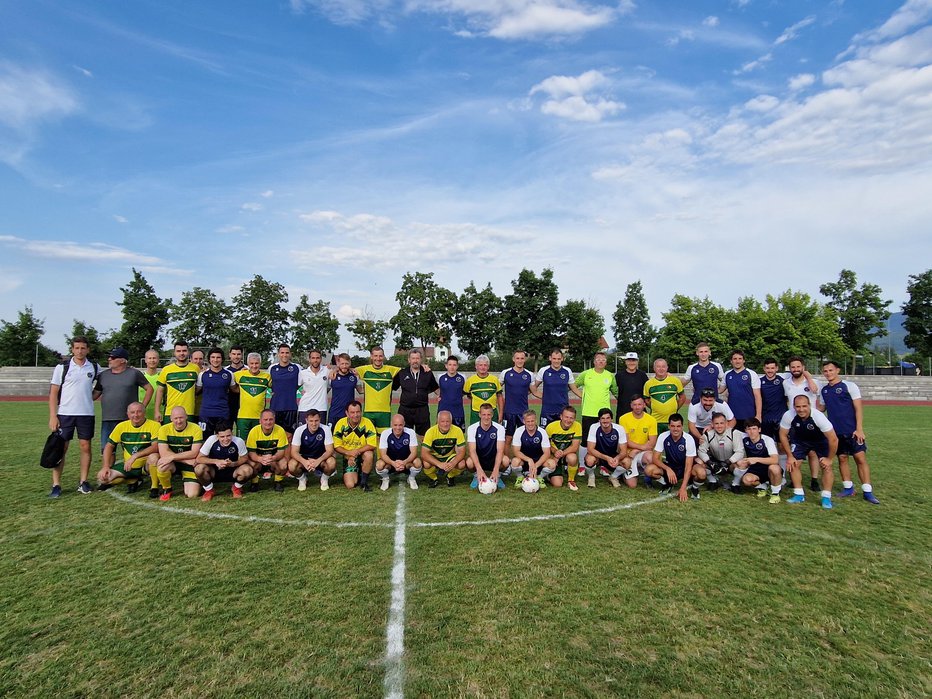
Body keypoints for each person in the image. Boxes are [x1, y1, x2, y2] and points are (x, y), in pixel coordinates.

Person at [819, 361, 880, 504]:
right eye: (825, 371)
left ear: (837, 370)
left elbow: (858, 409)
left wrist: (859, 429)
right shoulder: (824, 390)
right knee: (842, 459)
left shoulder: (849, 386)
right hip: (836, 433)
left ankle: (867, 491)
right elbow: (821, 409)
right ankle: (848, 488)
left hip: (852, 431)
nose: (828, 373)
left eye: (831, 370)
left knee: (860, 459)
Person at [48, 336, 100, 497]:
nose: (80, 351)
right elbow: (53, 393)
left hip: (86, 414)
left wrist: (88, 398)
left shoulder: (94, 367)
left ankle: (83, 482)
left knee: (85, 447)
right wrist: (53, 416)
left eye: (83, 348)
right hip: (65, 414)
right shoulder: (62, 367)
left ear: (88, 349)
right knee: (61, 448)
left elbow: (99, 389)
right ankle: (56, 484)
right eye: (76, 348)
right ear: (72, 349)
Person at [779, 395, 838, 509]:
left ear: (809, 405)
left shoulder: (818, 417)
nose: (801, 409)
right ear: (793, 406)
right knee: (793, 464)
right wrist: (790, 456)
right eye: (798, 407)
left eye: (804, 406)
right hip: (801, 440)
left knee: (826, 467)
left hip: (820, 441)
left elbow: (833, 439)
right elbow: (782, 435)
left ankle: (826, 497)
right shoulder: (788, 415)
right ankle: (798, 494)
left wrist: (829, 459)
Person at [94, 346, 152, 451]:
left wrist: (142, 407)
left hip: (129, 419)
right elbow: (95, 395)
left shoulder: (134, 373)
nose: (109, 359)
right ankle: (107, 467)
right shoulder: (103, 375)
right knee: (107, 450)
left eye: (113, 357)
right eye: (109, 357)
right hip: (108, 419)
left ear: (122, 360)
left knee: (132, 450)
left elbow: (149, 389)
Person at [96, 402, 160, 493]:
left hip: (146, 465)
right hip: (129, 466)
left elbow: (156, 447)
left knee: (154, 457)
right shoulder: (121, 426)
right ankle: (132, 480)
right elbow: (109, 446)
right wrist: (105, 466)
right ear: (128, 414)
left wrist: (135, 456)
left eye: (139, 412)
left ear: (144, 413)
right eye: (132, 412)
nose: (136, 415)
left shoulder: (154, 425)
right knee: (102, 478)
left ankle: (154, 487)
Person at [148, 406, 203, 501]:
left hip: (187, 464)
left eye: (181, 417)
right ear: (171, 418)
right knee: (162, 465)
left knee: (192, 494)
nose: (179, 421)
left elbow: (194, 452)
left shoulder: (196, 428)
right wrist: (183, 459)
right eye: (176, 418)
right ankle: (167, 488)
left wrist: (172, 457)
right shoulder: (163, 429)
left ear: (186, 417)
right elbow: (163, 452)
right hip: (179, 462)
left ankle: (193, 482)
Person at [783, 357, 822, 491]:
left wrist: (808, 377)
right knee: (794, 453)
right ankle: (794, 480)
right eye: (793, 367)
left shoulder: (812, 381)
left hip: (811, 422)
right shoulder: (786, 383)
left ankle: (814, 479)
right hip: (795, 423)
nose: (795, 369)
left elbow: (815, 390)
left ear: (803, 367)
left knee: (812, 453)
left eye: (798, 367)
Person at [647, 413, 702, 501]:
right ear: (669, 426)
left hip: (684, 467)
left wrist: (683, 488)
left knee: (701, 473)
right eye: (673, 426)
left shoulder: (688, 439)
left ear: (682, 427)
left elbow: (688, 466)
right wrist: (667, 469)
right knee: (649, 470)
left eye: (678, 426)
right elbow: (655, 458)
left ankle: (694, 487)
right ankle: (668, 483)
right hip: (670, 466)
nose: (675, 429)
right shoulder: (663, 436)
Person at [194, 420, 249, 501]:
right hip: (213, 471)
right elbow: (199, 458)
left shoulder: (238, 441)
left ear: (232, 433)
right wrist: (216, 461)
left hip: (232, 472)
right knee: (199, 469)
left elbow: (244, 457)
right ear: (217, 436)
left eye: (228, 436)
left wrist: (233, 464)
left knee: (248, 470)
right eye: (222, 437)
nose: (226, 439)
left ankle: (236, 488)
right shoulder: (211, 440)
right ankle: (209, 490)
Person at [574, 351, 619, 446]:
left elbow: (615, 392)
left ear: (606, 362)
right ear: (594, 362)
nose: (601, 362)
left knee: (603, 440)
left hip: (604, 414)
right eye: (598, 359)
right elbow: (573, 385)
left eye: (603, 360)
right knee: (586, 440)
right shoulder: (585, 374)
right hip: (588, 412)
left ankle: (602, 460)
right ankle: (583, 461)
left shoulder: (610, 376)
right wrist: (582, 396)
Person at [733, 418, 782, 503]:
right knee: (746, 480)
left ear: (759, 429)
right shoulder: (743, 437)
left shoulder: (767, 440)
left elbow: (775, 459)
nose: (751, 432)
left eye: (754, 428)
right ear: (745, 430)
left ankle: (775, 493)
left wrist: (756, 459)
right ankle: (762, 487)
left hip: (769, 468)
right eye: (749, 429)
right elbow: (728, 429)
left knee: (774, 468)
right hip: (755, 469)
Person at [332, 401, 378, 491]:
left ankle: (364, 482)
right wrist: (349, 454)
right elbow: (337, 446)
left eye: (358, 412)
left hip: (362, 453)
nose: (355, 415)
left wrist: (356, 452)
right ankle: (358, 471)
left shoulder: (367, 423)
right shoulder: (340, 424)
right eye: (352, 412)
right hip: (348, 456)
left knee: (369, 454)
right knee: (350, 484)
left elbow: (372, 445)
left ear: (361, 412)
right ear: (347, 413)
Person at [392, 349, 438, 438]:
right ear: (409, 360)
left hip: (422, 410)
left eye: (417, 358)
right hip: (405, 410)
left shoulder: (427, 373)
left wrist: (442, 396)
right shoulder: (402, 373)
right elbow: (392, 387)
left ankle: (424, 452)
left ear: (421, 359)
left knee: (424, 436)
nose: (415, 361)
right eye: (413, 358)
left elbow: (436, 388)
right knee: (403, 436)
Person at [288, 409, 337, 491]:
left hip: (321, 459)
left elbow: (330, 450)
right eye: (311, 421)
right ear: (306, 420)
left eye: (316, 421)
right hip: (305, 460)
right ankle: (302, 479)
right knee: (291, 465)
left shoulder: (325, 429)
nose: (314, 424)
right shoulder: (299, 430)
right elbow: (294, 452)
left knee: (332, 462)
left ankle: (324, 479)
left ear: (320, 420)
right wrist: (305, 462)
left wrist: (318, 461)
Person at [355, 346, 400, 432]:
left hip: (385, 412)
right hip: (368, 411)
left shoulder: (391, 370)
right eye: (375, 356)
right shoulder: (364, 370)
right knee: (368, 437)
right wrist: (334, 370)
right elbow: (346, 369)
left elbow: (408, 371)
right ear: (371, 356)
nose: (378, 358)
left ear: (383, 356)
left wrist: (423, 366)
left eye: (380, 356)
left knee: (382, 439)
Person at [500, 350, 541, 444]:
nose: (520, 360)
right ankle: (507, 458)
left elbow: (534, 391)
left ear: (525, 359)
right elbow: (497, 390)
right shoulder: (505, 373)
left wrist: (549, 397)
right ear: (513, 359)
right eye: (517, 358)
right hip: (509, 412)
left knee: (524, 437)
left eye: (522, 358)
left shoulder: (529, 374)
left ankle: (523, 458)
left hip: (524, 413)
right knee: (508, 438)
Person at [696, 412, 744, 492]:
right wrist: (709, 462)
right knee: (700, 461)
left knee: (742, 462)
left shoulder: (734, 433)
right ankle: (713, 481)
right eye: (716, 423)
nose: (719, 426)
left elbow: (740, 452)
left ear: (726, 423)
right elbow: (701, 451)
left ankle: (735, 483)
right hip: (715, 461)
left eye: (722, 423)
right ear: (712, 424)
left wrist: (728, 462)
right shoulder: (707, 435)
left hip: (731, 462)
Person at [245, 409, 290, 493]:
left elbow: (281, 452)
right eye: (265, 420)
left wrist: (273, 458)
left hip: (273, 459)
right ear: (260, 421)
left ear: (274, 420)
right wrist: (260, 459)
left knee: (283, 464)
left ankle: (278, 481)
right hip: (259, 459)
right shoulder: (254, 431)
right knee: (251, 464)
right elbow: (251, 453)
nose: (268, 422)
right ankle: (254, 482)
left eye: (271, 419)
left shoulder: (280, 430)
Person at [534, 348, 581, 426]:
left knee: (562, 435)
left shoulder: (567, 371)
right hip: (547, 411)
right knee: (546, 435)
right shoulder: (543, 370)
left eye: (559, 359)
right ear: (550, 358)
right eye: (554, 358)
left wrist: (585, 397)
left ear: (562, 359)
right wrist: (544, 397)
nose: (556, 361)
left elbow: (574, 388)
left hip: (563, 411)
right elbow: (534, 387)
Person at [154, 341, 198, 424]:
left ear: (188, 352)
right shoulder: (166, 370)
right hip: (170, 413)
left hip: (189, 413)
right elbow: (160, 391)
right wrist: (157, 411)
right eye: (178, 351)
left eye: (184, 351)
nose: (181, 353)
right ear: (174, 353)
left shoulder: (195, 369)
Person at [466, 403, 507, 491]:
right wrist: (479, 469)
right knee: (469, 462)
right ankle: (477, 476)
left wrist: (496, 469)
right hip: (479, 459)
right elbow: (472, 451)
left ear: (492, 415)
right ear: (479, 415)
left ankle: (497, 476)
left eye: (489, 414)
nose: (486, 417)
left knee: (506, 461)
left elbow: (500, 450)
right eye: (484, 414)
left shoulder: (499, 428)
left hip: (493, 459)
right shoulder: (472, 428)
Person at [618, 396, 657, 488]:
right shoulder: (623, 418)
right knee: (632, 485)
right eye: (634, 404)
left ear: (644, 405)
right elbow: (626, 441)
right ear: (631, 405)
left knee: (650, 457)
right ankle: (624, 473)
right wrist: (642, 447)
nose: (637, 407)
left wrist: (637, 450)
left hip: (642, 453)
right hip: (628, 454)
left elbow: (652, 443)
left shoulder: (651, 420)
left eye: (640, 404)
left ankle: (647, 479)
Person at [375, 414, 422, 491]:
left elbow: (414, 453)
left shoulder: (411, 433)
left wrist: (404, 462)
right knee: (379, 465)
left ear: (404, 424)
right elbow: (383, 454)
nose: (398, 428)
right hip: (390, 463)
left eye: (400, 425)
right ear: (391, 424)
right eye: (395, 425)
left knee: (418, 462)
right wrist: (393, 463)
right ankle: (385, 479)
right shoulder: (385, 433)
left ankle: (411, 478)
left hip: (406, 463)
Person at [421, 410, 467, 487]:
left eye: (447, 421)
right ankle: (433, 478)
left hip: (449, 457)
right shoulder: (430, 432)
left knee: (461, 464)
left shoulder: (457, 430)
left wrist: (453, 463)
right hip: (435, 457)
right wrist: (439, 464)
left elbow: (462, 451)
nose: (445, 424)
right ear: (437, 421)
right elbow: (424, 453)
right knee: (426, 464)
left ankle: (450, 476)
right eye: (442, 421)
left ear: (451, 421)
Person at [584, 407, 627, 488]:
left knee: (627, 462)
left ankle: (613, 477)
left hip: (613, 455)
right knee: (589, 460)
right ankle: (591, 476)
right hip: (598, 456)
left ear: (611, 419)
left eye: (608, 418)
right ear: (599, 420)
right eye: (602, 418)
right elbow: (590, 449)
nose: (605, 421)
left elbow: (624, 451)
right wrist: (606, 458)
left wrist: (617, 458)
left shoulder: (619, 429)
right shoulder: (594, 427)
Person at [197, 348, 235, 437]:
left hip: (223, 413)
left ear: (222, 359)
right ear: (209, 359)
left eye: (218, 357)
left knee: (223, 440)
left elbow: (235, 389)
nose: (215, 360)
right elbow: (196, 390)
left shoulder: (229, 374)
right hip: (206, 414)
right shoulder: (202, 374)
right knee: (204, 440)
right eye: (213, 357)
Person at [642, 358, 687, 434]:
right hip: (655, 421)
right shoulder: (648, 384)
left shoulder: (675, 381)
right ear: (654, 368)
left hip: (672, 421)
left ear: (667, 368)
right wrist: (655, 407)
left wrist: (675, 407)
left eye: (663, 366)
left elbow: (682, 397)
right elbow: (646, 400)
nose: (661, 369)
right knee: (656, 444)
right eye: (658, 366)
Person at [233, 353, 271, 439]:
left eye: (256, 363)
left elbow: (277, 386)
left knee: (257, 443)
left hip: (259, 418)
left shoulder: (267, 377)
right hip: (243, 417)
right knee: (242, 443)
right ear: (248, 364)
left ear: (260, 364)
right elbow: (225, 378)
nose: (254, 366)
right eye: (252, 363)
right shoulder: (239, 375)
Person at [543, 405, 582, 490]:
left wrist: (560, 454)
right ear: (561, 416)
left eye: (571, 418)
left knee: (572, 457)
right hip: (553, 455)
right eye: (566, 417)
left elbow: (574, 447)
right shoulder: (551, 427)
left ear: (574, 419)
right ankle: (548, 475)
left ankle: (571, 480)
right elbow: (546, 445)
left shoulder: (577, 426)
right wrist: (554, 452)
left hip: (565, 455)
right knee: (557, 484)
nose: (568, 420)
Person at [510, 410, 552, 486]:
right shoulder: (519, 431)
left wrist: (535, 465)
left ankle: (540, 477)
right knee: (515, 462)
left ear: (536, 421)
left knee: (552, 464)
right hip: (524, 460)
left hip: (539, 461)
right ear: (523, 421)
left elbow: (547, 453)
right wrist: (529, 460)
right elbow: (516, 451)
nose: (530, 424)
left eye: (532, 421)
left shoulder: (542, 432)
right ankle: (520, 477)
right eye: (528, 421)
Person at [723, 350, 761, 431]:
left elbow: (757, 396)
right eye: (735, 359)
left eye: (740, 358)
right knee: (734, 441)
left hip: (749, 415)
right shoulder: (727, 374)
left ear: (744, 360)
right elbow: (720, 390)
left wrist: (758, 415)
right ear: (731, 361)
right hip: (732, 416)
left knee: (748, 439)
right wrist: (700, 388)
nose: (737, 361)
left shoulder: (751, 374)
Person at [269, 343, 301, 437]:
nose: (284, 355)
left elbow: (302, 381)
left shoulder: (297, 368)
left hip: (290, 407)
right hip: (275, 408)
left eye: (287, 352)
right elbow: (268, 383)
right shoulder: (272, 368)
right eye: (282, 352)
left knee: (289, 436)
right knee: (275, 435)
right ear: (278, 354)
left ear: (290, 354)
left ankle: (289, 452)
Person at [463, 354, 504, 423]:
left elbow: (499, 397)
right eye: (480, 365)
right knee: (475, 433)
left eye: (485, 365)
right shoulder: (470, 380)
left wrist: (500, 414)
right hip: (476, 414)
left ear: (488, 367)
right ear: (476, 366)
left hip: (492, 414)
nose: (483, 367)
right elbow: (467, 394)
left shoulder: (494, 380)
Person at [297, 349, 331, 425]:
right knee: (303, 433)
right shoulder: (303, 373)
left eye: (317, 358)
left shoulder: (327, 371)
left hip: (321, 408)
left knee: (320, 434)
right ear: (309, 359)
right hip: (305, 408)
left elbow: (329, 386)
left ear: (321, 359)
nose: (315, 360)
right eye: (313, 358)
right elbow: (296, 386)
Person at [329, 353, 360, 429]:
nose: (344, 366)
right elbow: (324, 390)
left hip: (349, 414)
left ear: (350, 363)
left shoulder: (354, 376)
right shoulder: (332, 376)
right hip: (334, 413)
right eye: (342, 363)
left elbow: (361, 391)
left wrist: (359, 378)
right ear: (338, 363)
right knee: (332, 437)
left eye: (346, 363)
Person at [615, 352, 649, 420]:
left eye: (633, 360)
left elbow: (649, 387)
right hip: (623, 410)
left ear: (637, 362)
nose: (631, 363)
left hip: (639, 411)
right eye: (629, 360)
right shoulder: (619, 375)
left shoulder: (642, 375)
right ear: (625, 362)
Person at [437, 355, 467, 430]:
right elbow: (436, 389)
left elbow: (464, 391)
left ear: (457, 366)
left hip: (458, 412)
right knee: (442, 437)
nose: (452, 367)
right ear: (446, 366)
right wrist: (439, 395)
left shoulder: (463, 378)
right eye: (450, 365)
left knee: (458, 436)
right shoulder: (440, 377)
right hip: (443, 412)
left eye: (454, 365)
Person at [225, 345, 245, 421]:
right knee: (227, 430)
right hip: (228, 406)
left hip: (243, 407)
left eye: (238, 354)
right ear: (230, 355)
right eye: (234, 354)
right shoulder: (225, 371)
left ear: (242, 355)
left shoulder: (248, 370)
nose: (236, 357)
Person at [140, 349, 161, 419]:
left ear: (158, 360)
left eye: (154, 358)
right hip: (142, 415)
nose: (152, 360)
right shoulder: (140, 377)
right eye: (150, 358)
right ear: (145, 360)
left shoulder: (162, 377)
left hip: (158, 414)